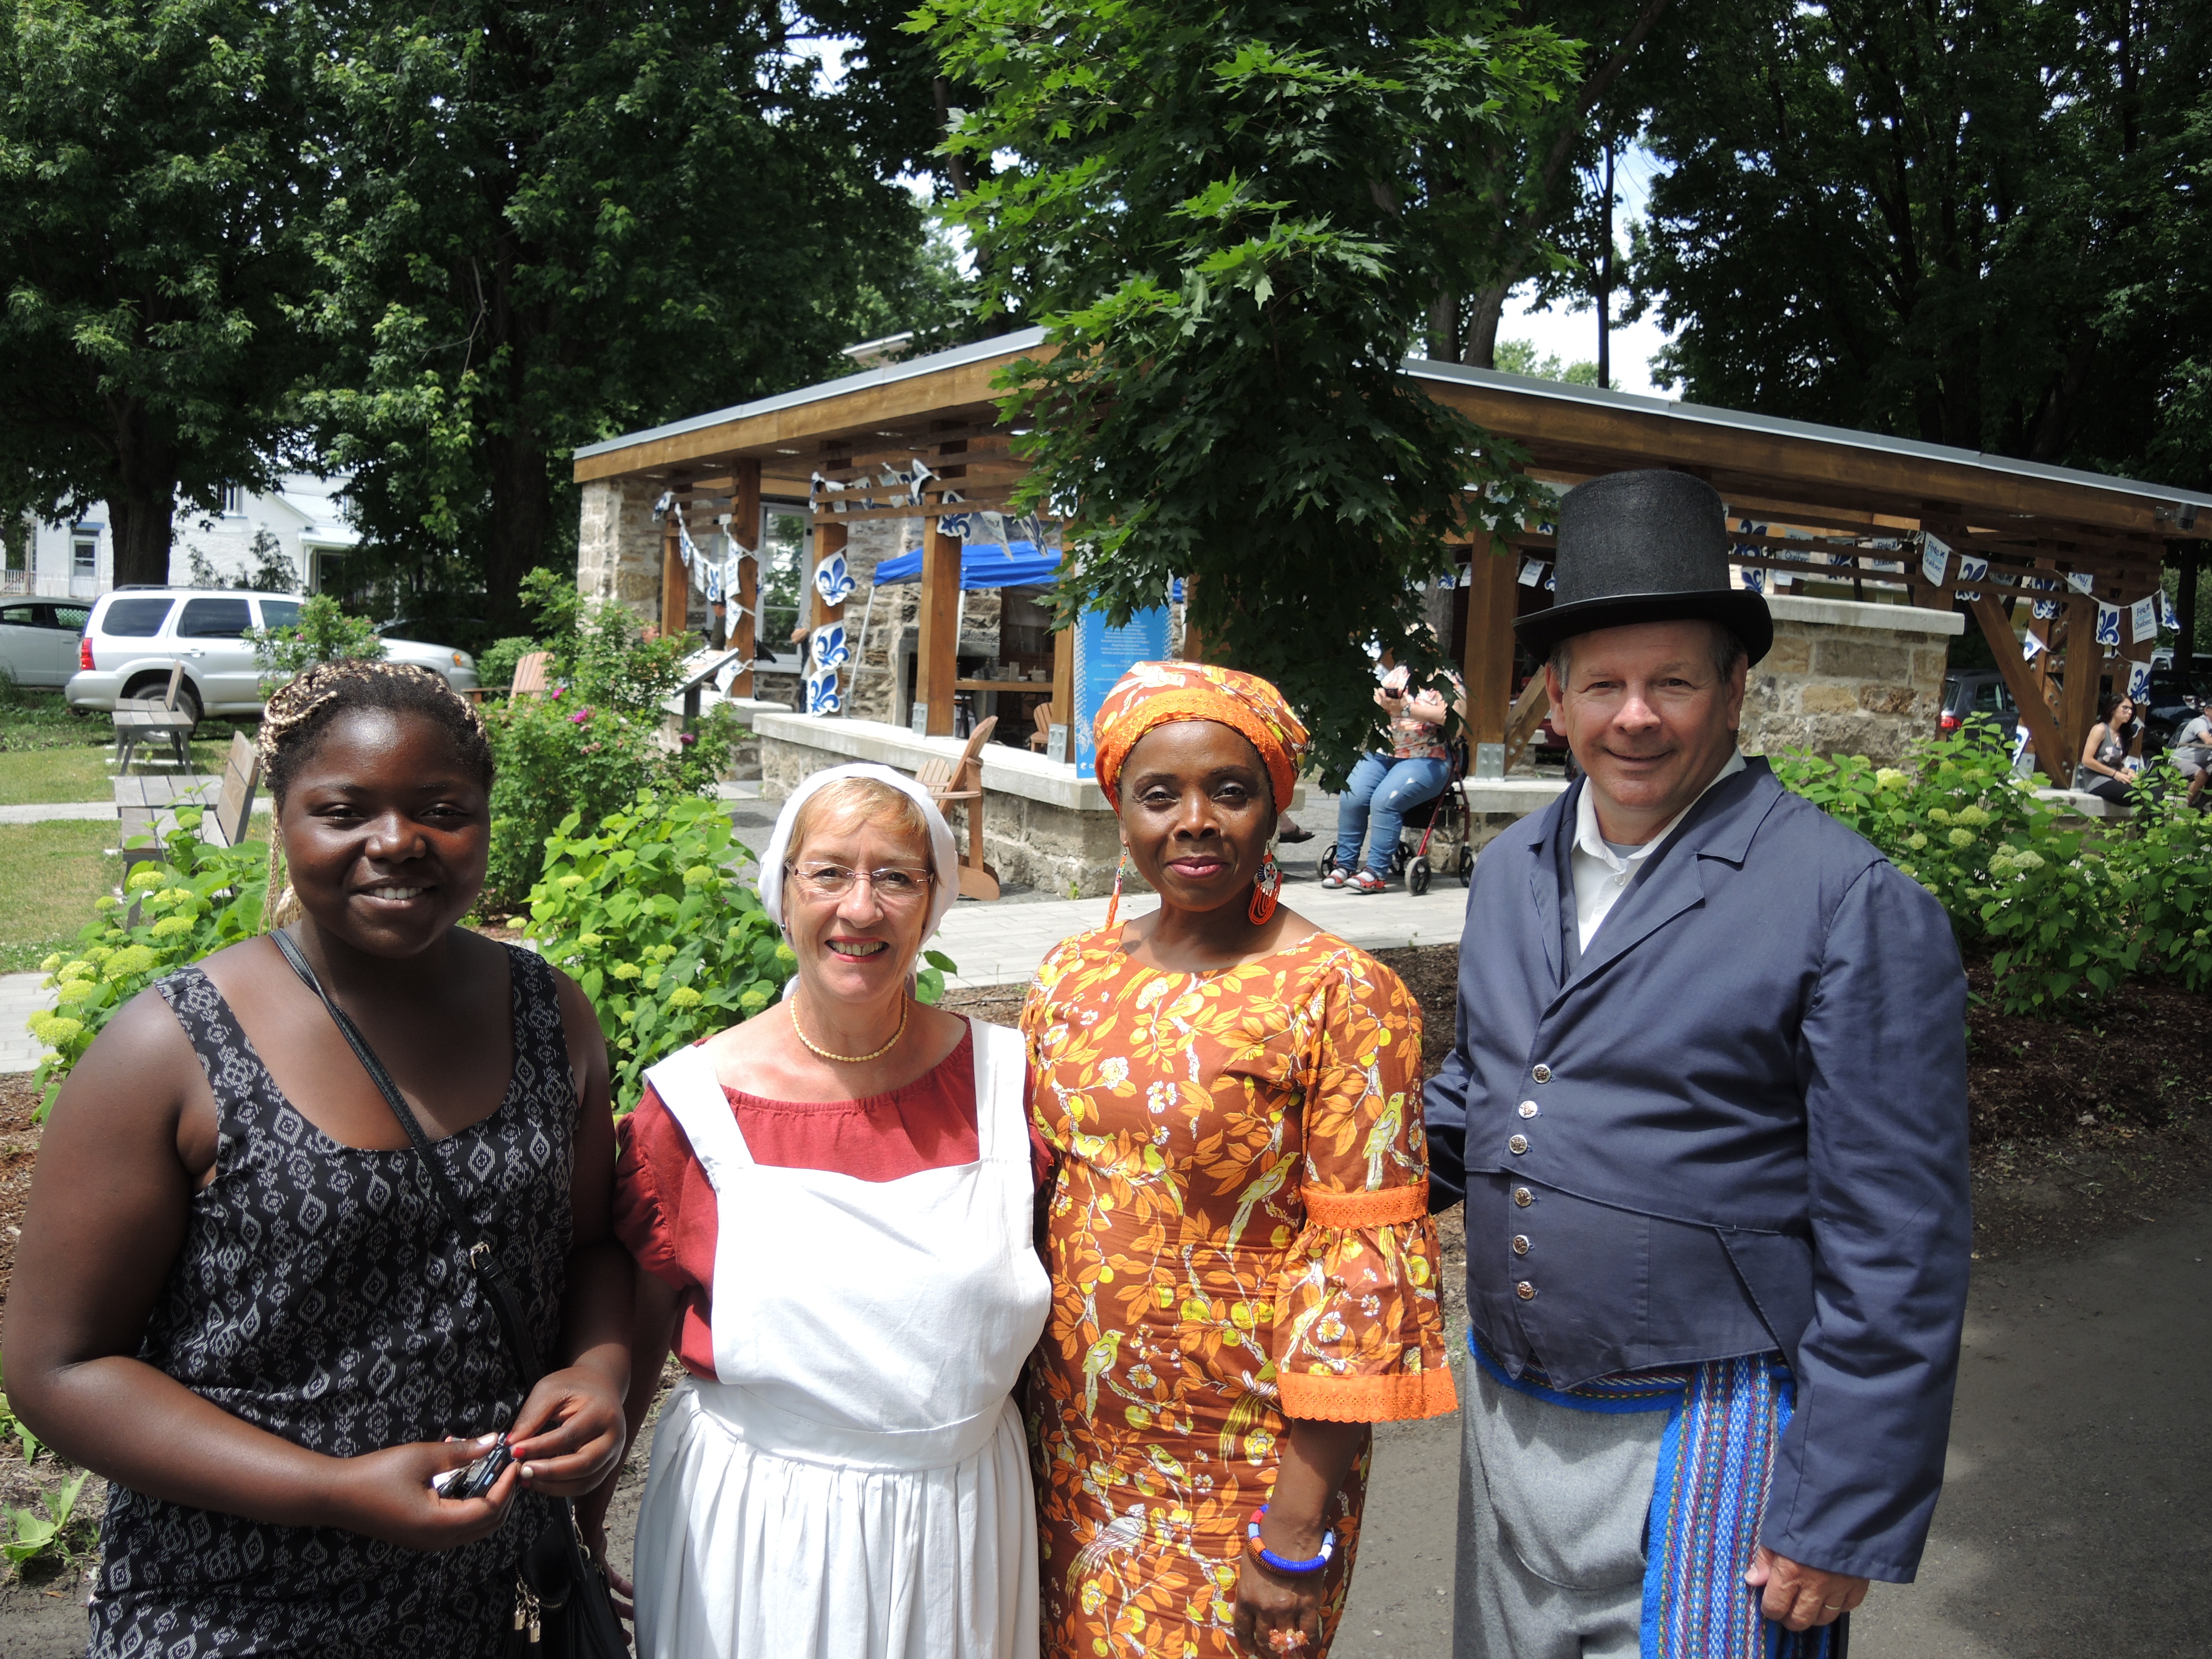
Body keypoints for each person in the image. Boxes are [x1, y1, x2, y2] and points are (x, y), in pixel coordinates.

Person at [1425, 470, 1971, 1659]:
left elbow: (1898, 1239)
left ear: (1733, 692)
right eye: (1604, 684)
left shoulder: (1847, 904)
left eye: (1671, 681)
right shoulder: (1511, 868)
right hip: (1511, 1404)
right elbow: (1475, 1099)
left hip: (1713, 1422)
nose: (1635, 716)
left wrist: (1840, 1508)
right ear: (1555, 700)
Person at [2, 660, 630, 1657]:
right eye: (344, 811)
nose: (396, 843)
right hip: (229, 1605)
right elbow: (57, 1368)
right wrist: (331, 1491)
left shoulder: (551, 1015)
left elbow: (593, 1247)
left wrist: (599, 1372)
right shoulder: (170, 1048)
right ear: (286, 819)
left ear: (484, 817)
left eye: (441, 809)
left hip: (480, 1600)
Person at [1022, 662, 1457, 1659]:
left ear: (1276, 804)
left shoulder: (1343, 996)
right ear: (1118, 809)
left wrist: (1295, 1528)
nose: (1196, 820)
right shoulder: (1072, 977)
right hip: (1071, 1452)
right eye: (1160, 794)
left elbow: (1361, 1268)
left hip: (1245, 1467)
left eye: (1230, 790)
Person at [593, 763, 1051, 1659]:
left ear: (935, 899)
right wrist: (585, 1513)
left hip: (961, 1527)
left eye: (895, 876)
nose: (861, 908)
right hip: (759, 1530)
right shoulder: (695, 1103)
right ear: (784, 891)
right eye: (830, 872)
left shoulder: (1011, 1085)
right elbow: (645, 1318)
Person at [1324, 660, 1461, 893]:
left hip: (1428, 757)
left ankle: (1376, 873)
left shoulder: (1447, 679)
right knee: (1352, 797)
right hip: (1383, 753)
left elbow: (1454, 721)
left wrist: (1405, 709)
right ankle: (1345, 865)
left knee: (1384, 801)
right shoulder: (1395, 675)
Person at [2077, 692, 2144, 805]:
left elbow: (2115, 764)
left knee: (2152, 792)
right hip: (2096, 780)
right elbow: (2087, 760)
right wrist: (2115, 774)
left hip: (2114, 778)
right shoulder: (2100, 730)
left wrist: (2128, 771)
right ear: (2113, 709)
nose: (2130, 712)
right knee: (2136, 797)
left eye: (2131, 709)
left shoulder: (2122, 734)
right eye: (2125, 708)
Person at [2172, 706, 2212, 807]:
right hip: (2180, 760)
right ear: (2207, 710)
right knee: (2202, 775)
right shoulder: (2199, 722)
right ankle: (2184, 809)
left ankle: (2201, 806)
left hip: (2201, 762)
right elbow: (2207, 740)